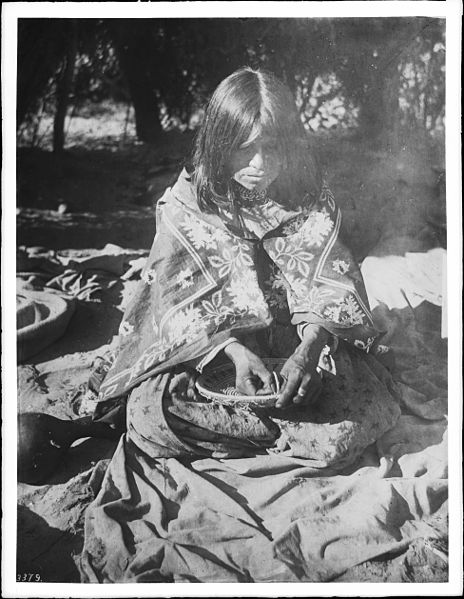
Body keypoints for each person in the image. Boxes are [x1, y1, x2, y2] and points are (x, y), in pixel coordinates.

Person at [91, 67, 400, 465]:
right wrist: (234, 352)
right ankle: (289, 433)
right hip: (213, 350)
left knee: (363, 400)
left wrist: (309, 351)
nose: (260, 163)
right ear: (219, 144)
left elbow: (330, 286)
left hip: (297, 341)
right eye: (243, 147)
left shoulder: (308, 195)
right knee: (153, 410)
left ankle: (256, 432)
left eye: (273, 147)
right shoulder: (187, 202)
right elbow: (173, 302)